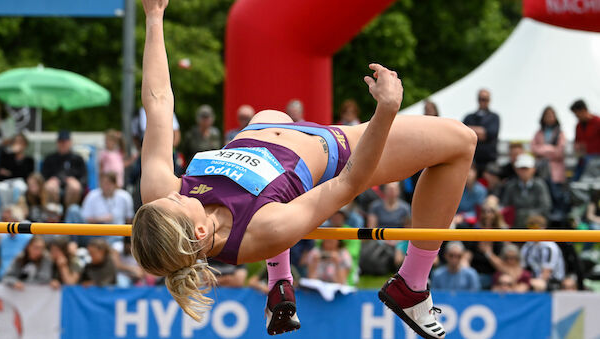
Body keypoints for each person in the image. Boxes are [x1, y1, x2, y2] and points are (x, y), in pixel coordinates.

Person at [131, 1, 476, 338]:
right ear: (202, 232)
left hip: (264, 129)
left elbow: (158, 102)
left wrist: (154, 16)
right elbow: (350, 181)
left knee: (271, 116)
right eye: (176, 202)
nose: (173, 195)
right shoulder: (265, 228)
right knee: (460, 142)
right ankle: (412, 285)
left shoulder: (159, 197)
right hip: (340, 149)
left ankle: (280, 283)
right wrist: (385, 111)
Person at [500, 153, 552, 228]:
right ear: (516, 170)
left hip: (535, 225)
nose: (524, 172)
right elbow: (506, 207)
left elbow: (545, 207)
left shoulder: (540, 185)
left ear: (533, 169)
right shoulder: (510, 186)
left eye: (526, 168)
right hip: (515, 225)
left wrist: (523, 214)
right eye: (521, 168)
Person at [41, 130, 86, 204]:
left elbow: (84, 178)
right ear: (57, 143)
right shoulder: (49, 158)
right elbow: (43, 176)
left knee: (74, 187)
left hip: (72, 189)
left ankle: (69, 212)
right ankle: (55, 212)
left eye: (65, 142)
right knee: (50, 187)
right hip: (54, 187)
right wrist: (51, 180)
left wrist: (75, 181)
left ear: (70, 142)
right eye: (61, 142)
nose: (63, 144)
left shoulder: (78, 159)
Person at [462, 89, 500, 176]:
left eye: (485, 99)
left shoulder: (494, 117)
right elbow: (463, 133)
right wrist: (481, 131)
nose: (483, 101)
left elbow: (491, 134)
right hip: (471, 159)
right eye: (481, 99)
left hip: (489, 161)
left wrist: (471, 130)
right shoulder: (469, 117)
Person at [570, 99, 600, 180]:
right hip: (583, 161)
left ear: (584, 110)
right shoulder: (578, 126)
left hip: (596, 160)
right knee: (574, 181)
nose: (577, 117)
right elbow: (577, 143)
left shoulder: (597, 122)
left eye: (578, 115)